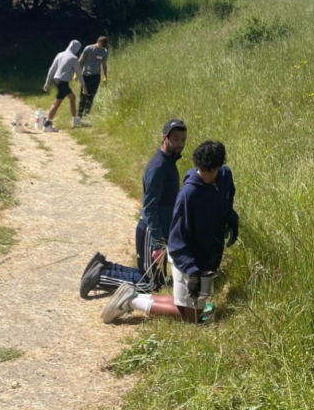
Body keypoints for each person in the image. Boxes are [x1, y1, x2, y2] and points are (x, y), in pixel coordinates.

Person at [102, 140, 239, 325]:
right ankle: (131, 301)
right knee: (190, 317)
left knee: (195, 307)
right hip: (186, 257)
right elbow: (177, 240)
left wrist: (231, 219)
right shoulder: (189, 193)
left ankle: (134, 295)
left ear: (220, 166)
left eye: (212, 171)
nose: (207, 176)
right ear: (197, 166)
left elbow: (226, 200)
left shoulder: (225, 176)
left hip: (208, 255)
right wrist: (191, 272)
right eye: (203, 171)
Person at [79, 119, 188, 298]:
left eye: (183, 140)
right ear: (164, 138)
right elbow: (150, 208)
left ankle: (107, 267)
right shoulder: (159, 168)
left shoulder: (168, 162)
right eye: (176, 139)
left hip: (158, 230)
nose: (180, 144)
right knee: (149, 286)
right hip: (150, 231)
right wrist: (158, 243)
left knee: (157, 281)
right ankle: (100, 276)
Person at [43, 40, 85, 131]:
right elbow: (78, 73)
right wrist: (84, 85)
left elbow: (51, 69)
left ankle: (74, 120)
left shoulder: (60, 54)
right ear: (76, 49)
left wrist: (47, 82)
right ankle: (47, 124)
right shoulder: (73, 58)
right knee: (57, 104)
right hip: (63, 82)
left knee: (72, 98)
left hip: (57, 80)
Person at [77, 36, 109, 122]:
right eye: (101, 45)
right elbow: (81, 60)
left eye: (103, 46)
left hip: (96, 76)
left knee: (91, 96)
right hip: (86, 75)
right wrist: (76, 73)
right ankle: (79, 116)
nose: (101, 47)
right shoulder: (89, 48)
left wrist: (105, 77)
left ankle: (86, 117)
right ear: (97, 41)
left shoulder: (104, 51)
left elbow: (104, 65)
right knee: (83, 96)